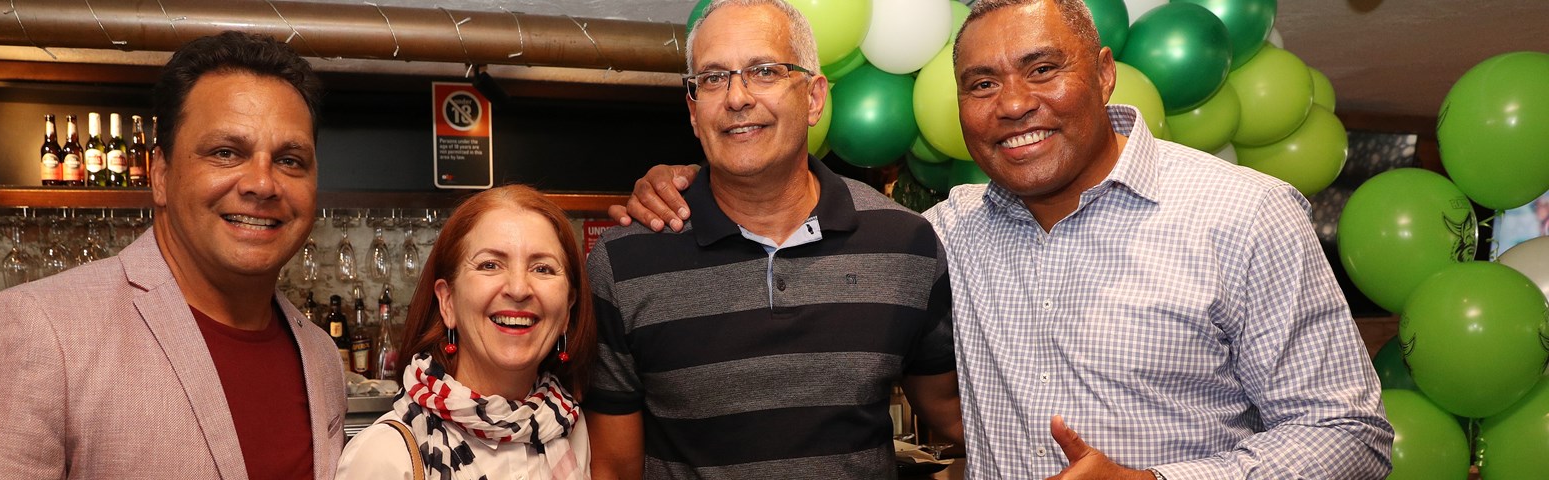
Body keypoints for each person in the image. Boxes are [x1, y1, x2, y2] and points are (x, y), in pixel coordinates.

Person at [614, 0, 1393, 478]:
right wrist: (685, 183)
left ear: (1105, 72)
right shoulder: (941, 236)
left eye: (1042, 69)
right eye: (982, 84)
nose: (1013, 104)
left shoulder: (1244, 214)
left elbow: (1350, 436)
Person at [0, 31, 346, 479]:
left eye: (290, 160)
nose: (262, 183)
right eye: (225, 152)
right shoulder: (37, 330)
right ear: (160, 174)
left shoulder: (319, 353)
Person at [586, 1, 963, 479]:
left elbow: (952, 413)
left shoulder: (904, 243)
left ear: (814, 97)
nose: (736, 97)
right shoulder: (624, 261)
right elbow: (614, 467)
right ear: (693, 111)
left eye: (764, 71)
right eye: (713, 78)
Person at [337, 185, 595, 480]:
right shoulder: (384, 456)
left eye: (542, 269)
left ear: (568, 309)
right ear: (448, 301)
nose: (518, 288)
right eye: (490, 265)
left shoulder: (568, 428)